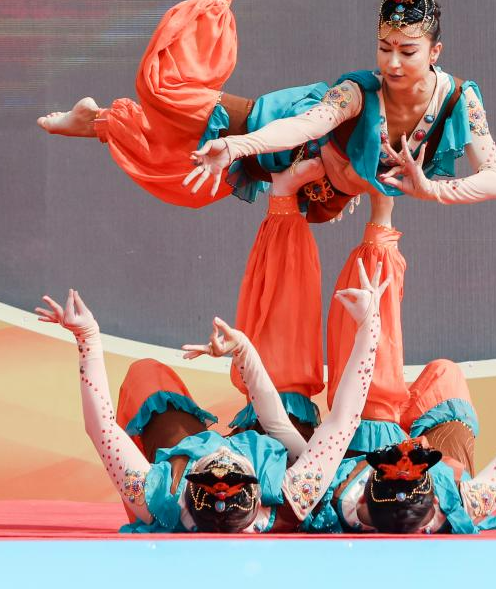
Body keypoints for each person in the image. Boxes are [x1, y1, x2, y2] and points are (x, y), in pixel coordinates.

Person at [34, 218, 389, 534]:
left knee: (147, 375)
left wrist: (88, 339)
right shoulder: (293, 495)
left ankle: (163, 454)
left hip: (182, 462)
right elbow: (343, 420)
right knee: (289, 429)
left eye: (213, 469)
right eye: (232, 468)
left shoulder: (158, 496)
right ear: (255, 493)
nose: (222, 456)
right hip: (267, 458)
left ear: (191, 490)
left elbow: (101, 428)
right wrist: (369, 325)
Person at [187, 0, 496, 225]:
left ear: (435, 52)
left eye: (408, 52)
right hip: (269, 138)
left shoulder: (459, 99)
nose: (393, 63)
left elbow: (495, 180)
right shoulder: (360, 92)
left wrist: (431, 190)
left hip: (316, 187)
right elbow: (305, 126)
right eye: (384, 49)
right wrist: (235, 145)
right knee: (172, 94)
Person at [36, 0, 332, 209]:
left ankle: (96, 122)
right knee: (161, 87)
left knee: (176, 165)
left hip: (254, 157)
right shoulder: (347, 113)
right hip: (253, 128)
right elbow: (311, 136)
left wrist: (330, 192)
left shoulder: (348, 167)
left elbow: (299, 180)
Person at [322, 291, 496, 534]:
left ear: (360, 497)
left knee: (368, 412)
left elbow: (342, 418)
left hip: (367, 441)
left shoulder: (326, 494)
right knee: (446, 373)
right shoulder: (464, 500)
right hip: (444, 457)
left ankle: (386, 416)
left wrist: (368, 330)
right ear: (436, 501)